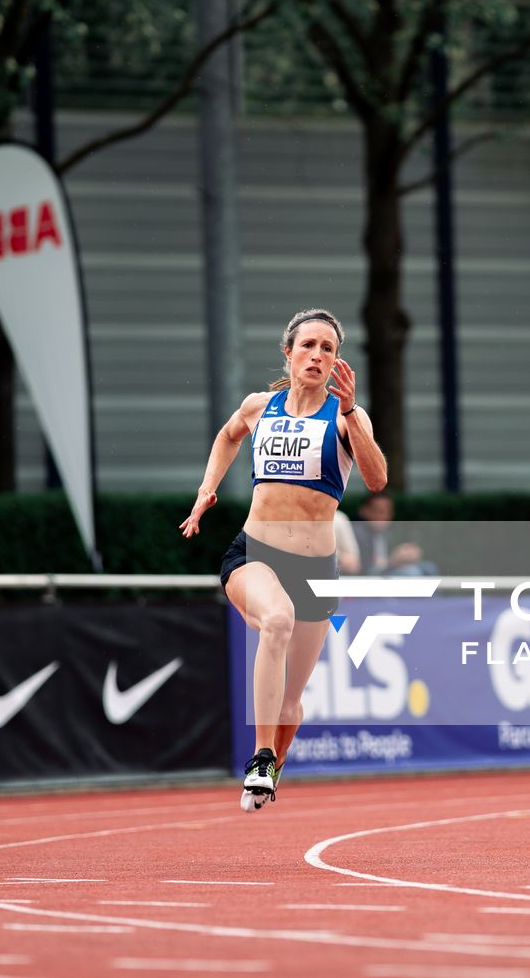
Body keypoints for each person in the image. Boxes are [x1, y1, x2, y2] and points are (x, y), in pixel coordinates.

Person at [179, 308, 388, 812]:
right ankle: (260, 756)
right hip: (255, 554)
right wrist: (207, 489)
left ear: (338, 363)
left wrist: (355, 415)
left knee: (292, 703)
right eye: (309, 345)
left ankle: (271, 768)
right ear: (288, 352)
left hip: (316, 573)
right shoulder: (259, 406)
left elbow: (378, 479)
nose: (318, 356)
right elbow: (229, 436)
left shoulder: (345, 418)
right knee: (277, 620)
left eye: (329, 349)